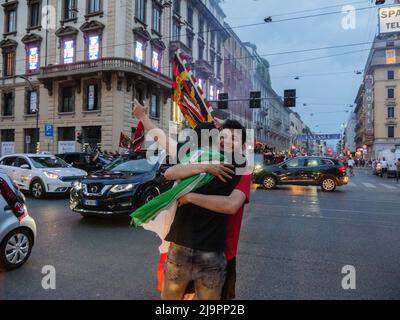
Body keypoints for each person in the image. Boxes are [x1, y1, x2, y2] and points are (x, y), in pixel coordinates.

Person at [132, 100, 250, 300]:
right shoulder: (195, 158)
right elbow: (168, 164)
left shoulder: (242, 170)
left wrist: (189, 197)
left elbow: (231, 205)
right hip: (186, 248)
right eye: (222, 137)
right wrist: (205, 166)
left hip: (214, 251)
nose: (225, 141)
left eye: (232, 139)